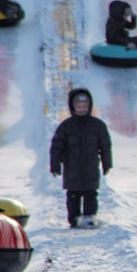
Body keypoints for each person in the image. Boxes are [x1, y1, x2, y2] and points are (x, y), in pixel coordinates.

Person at [49, 87, 113, 228]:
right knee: (73, 195)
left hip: (90, 167)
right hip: (72, 168)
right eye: (79, 106)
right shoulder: (66, 127)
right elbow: (56, 147)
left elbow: (105, 146)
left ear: (90, 106)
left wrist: (107, 163)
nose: (82, 109)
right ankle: (74, 219)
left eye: (85, 106)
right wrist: (55, 165)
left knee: (91, 194)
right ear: (72, 107)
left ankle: (89, 217)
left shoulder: (98, 126)